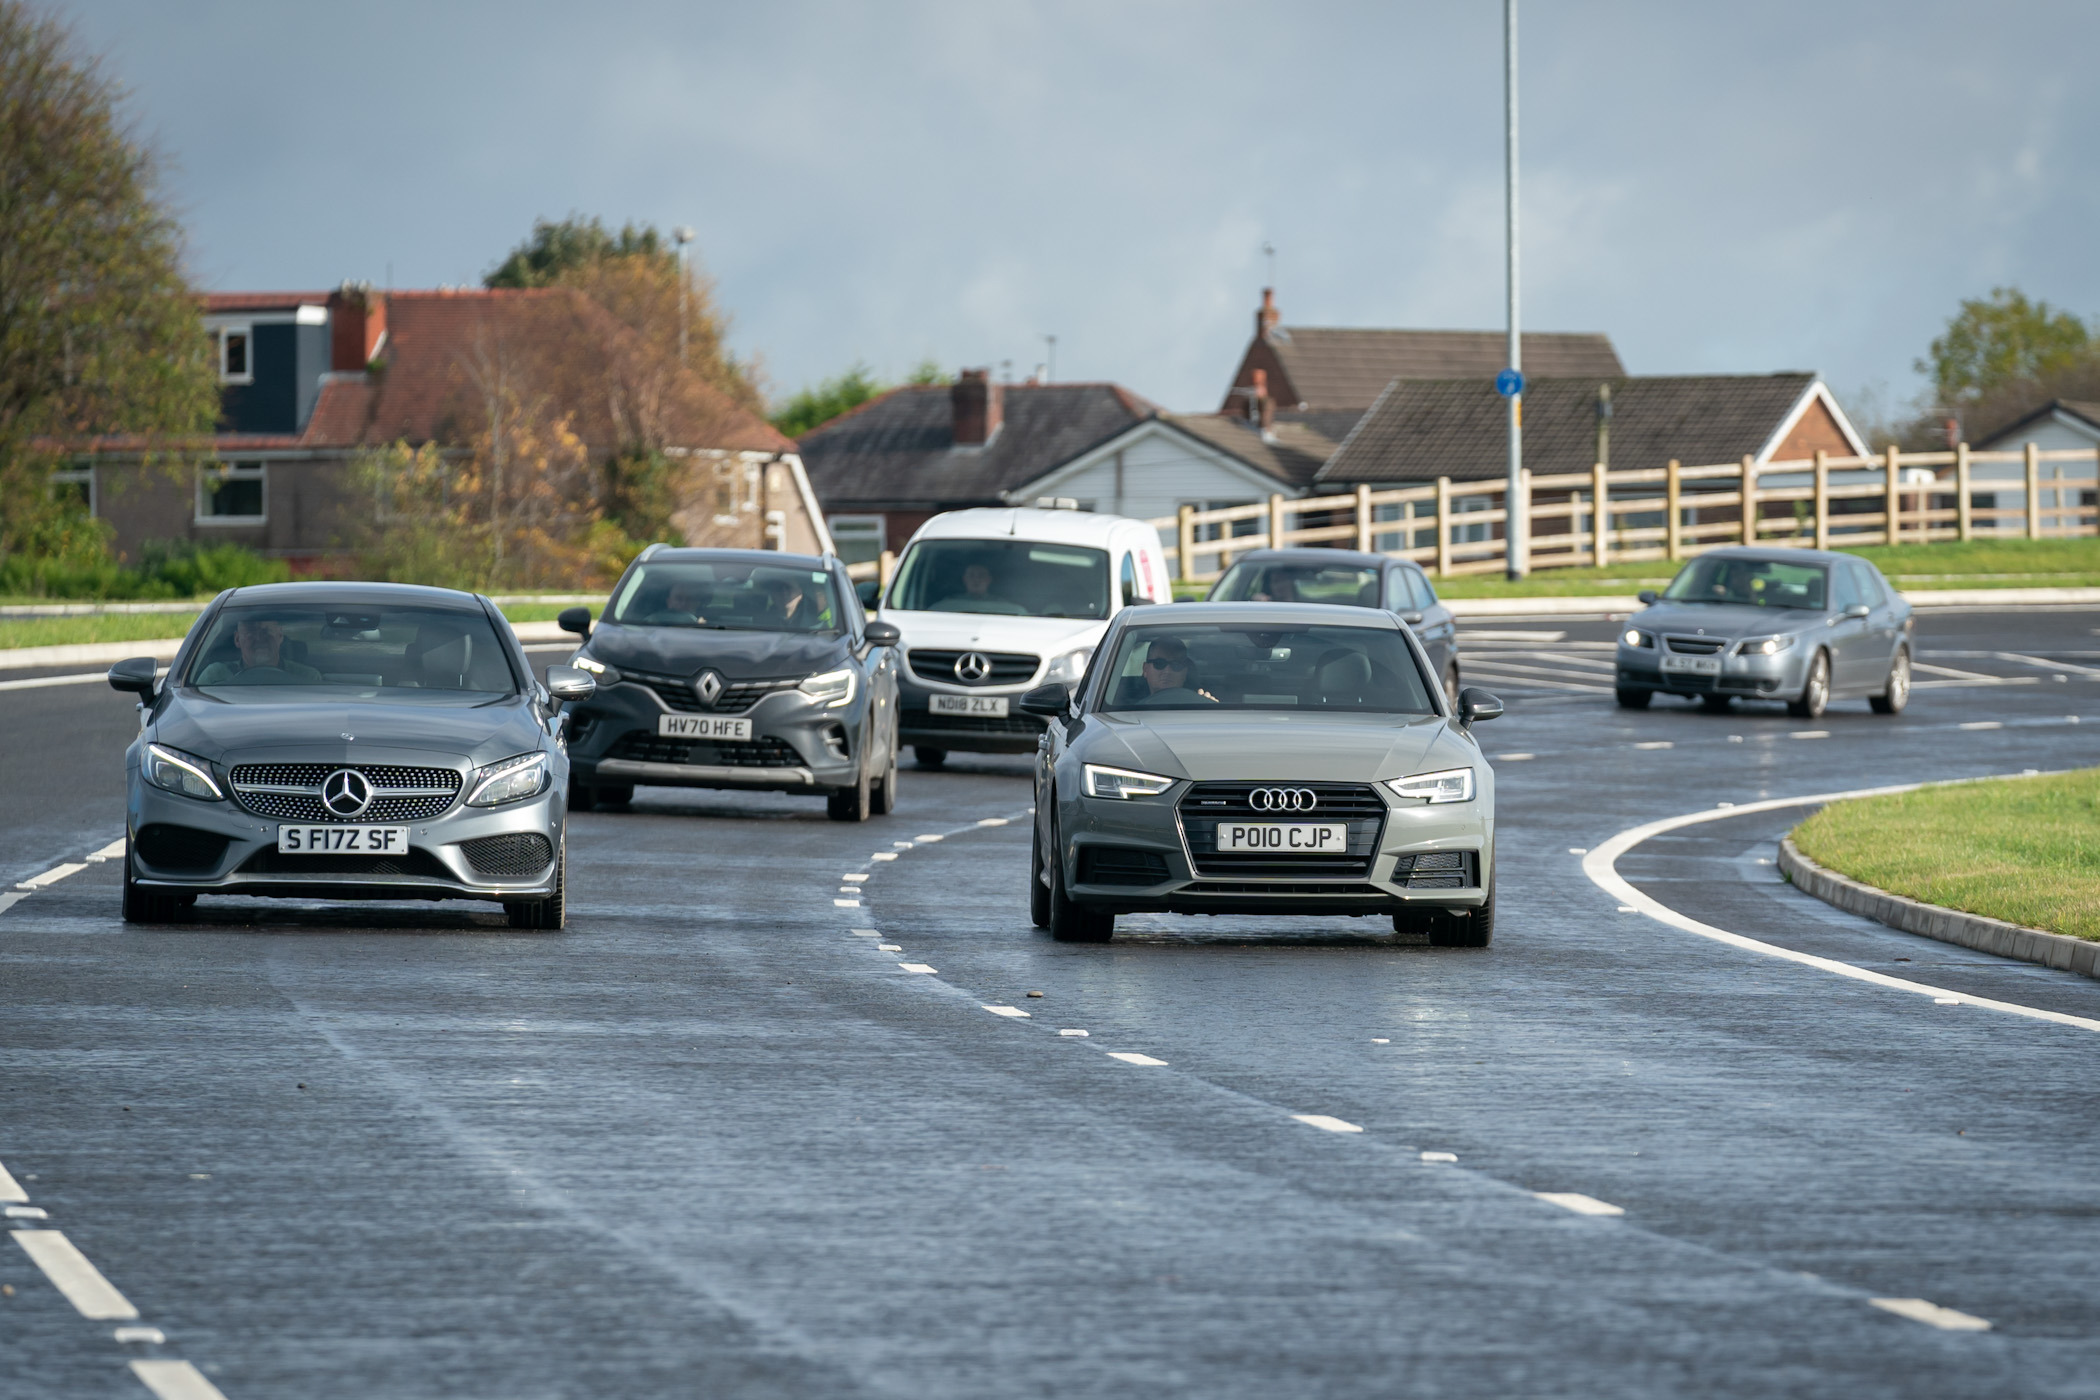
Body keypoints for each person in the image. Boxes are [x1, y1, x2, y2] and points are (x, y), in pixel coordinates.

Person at [195, 617, 323, 685]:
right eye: (251, 632)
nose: (259, 638)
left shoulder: (308, 677)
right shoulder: (214, 677)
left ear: (280, 636)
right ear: (237, 639)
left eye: (266, 631)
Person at [1134, 636, 1217, 705]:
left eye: (1176, 665)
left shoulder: (1202, 704)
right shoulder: (1126, 711)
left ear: (1185, 672)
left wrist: (1210, 707)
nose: (1167, 670)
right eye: (1159, 663)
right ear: (1145, 669)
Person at [933, 562, 1023, 614]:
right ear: (964, 579)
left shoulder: (1006, 608)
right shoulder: (946, 605)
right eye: (971, 575)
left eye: (981, 576)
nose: (976, 580)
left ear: (989, 579)